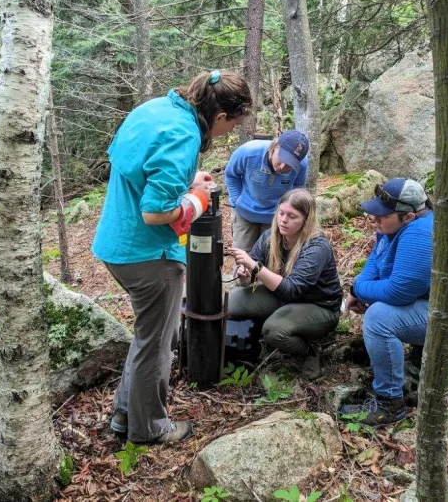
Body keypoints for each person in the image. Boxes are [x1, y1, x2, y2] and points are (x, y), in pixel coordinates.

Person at [92, 70, 252, 444]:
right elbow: (156, 211)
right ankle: (149, 428)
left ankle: (124, 413)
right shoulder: (183, 135)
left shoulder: (157, 109)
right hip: (148, 255)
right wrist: (197, 198)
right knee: (158, 344)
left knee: (147, 335)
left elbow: (141, 170)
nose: (228, 133)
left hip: (116, 243)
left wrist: (186, 179)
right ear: (220, 117)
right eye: (232, 125)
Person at [340, 178, 448, 425]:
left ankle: (389, 403)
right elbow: (375, 262)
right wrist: (358, 289)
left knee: (379, 318)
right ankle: (418, 362)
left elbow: (397, 293)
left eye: (382, 215)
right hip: (437, 306)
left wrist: (359, 289)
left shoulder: (421, 233)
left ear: (409, 216)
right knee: (382, 308)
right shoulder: (393, 227)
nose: (375, 219)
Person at [227, 188, 342, 380]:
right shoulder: (271, 237)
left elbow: (291, 290)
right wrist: (245, 274)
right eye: (281, 213)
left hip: (319, 306)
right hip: (281, 297)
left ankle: (309, 351)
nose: (283, 220)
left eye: (292, 216)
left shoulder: (316, 247)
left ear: (306, 220)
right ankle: (265, 332)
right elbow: (250, 278)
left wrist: (255, 267)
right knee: (232, 302)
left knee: (274, 331)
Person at [225, 130, 310, 252]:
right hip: (245, 211)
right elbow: (231, 175)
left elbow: (297, 188)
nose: (282, 167)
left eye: (289, 165)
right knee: (242, 255)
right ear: (275, 147)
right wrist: (235, 200)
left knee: (270, 255)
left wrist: (285, 212)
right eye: (281, 159)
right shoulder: (248, 152)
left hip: (275, 216)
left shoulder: (301, 165)